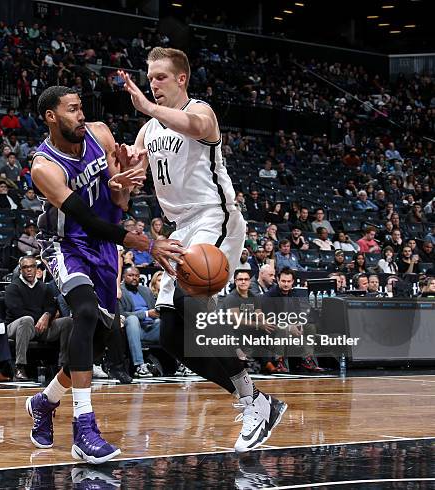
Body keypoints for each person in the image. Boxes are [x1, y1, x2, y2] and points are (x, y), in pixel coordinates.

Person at [118, 47, 286, 453]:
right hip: (182, 229)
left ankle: (254, 403)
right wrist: (122, 175)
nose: (153, 84)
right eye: (149, 77)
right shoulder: (148, 132)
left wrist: (146, 107)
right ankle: (256, 401)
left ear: (181, 79)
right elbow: (129, 182)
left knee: (190, 304)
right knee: (174, 339)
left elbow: (193, 126)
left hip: (216, 216)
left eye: (160, 77)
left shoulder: (202, 111)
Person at [25, 86, 182, 464]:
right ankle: (84, 427)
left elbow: (116, 204)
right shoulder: (44, 167)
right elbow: (88, 220)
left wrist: (124, 187)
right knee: (84, 312)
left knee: (98, 338)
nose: (81, 115)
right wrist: (149, 245)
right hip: (66, 242)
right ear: (51, 116)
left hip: (105, 246)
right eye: (73, 109)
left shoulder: (101, 134)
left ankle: (44, 402)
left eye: (82, 108)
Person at [5, 255, 72, 381]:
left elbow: (52, 307)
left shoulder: (44, 287)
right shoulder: (13, 287)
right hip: (16, 326)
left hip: (40, 328)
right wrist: (42, 317)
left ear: (37, 269)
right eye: (25, 267)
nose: (29, 270)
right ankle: (20, 366)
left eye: (31, 267)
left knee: (67, 322)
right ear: (20, 270)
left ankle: (63, 366)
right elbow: (17, 312)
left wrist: (46, 315)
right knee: (26, 319)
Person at [119, 266, 159, 377]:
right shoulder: (120, 291)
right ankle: (140, 366)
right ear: (123, 277)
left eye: (137, 276)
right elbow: (121, 313)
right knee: (132, 319)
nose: (134, 278)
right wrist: (146, 314)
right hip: (131, 329)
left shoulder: (145, 290)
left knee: (166, 322)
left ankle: (181, 364)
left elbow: (154, 310)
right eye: (130, 275)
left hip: (149, 328)